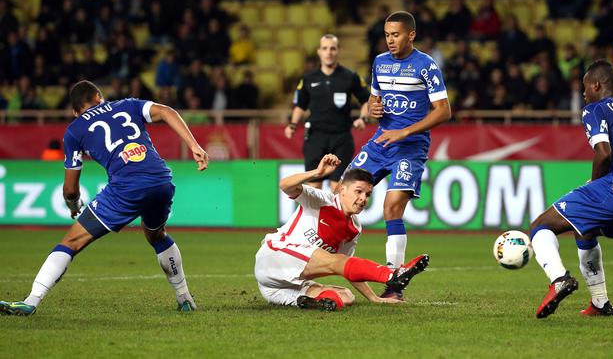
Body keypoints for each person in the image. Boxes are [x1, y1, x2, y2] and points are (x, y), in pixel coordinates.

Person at [0, 80, 209, 316]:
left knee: (71, 242)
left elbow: (70, 190)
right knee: (156, 234)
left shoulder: (75, 129)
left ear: (75, 111)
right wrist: (194, 145)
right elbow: (166, 111)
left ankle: (31, 300)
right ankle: (185, 298)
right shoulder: (128, 105)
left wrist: (73, 204)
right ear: (99, 97)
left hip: (126, 189)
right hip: (161, 180)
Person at [529, 60, 613, 319]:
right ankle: (600, 303)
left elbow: (603, 153)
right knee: (585, 232)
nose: (583, 94)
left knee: (540, 225)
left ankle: (558, 279)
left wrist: (597, 184)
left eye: (584, 88)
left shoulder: (595, 108)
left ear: (596, 84)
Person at [344, 11, 451, 300]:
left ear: (411, 35)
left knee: (391, 207)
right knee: (342, 195)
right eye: (387, 35)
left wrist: (404, 133)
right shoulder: (380, 62)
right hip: (380, 144)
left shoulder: (426, 66)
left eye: (396, 34)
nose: (391, 40)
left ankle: (393, 282)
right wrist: (372, 109)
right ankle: (325, 260)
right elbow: (374, 99)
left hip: (410, 148)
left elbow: (444, 111)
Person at [255, 154, 429, 311]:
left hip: (278, 287)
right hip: (273, 258)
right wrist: (317, 172)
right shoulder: (321, 200)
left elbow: (348, 267)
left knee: (346, 296)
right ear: (343, 190)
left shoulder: (354, 228)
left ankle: (307, 301)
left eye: (368, 194)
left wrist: (373, 298)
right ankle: (391, 275)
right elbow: (284, 185)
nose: (363, 198)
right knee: (338, 261)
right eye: (358, 191)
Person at [284, 34, 370, 190]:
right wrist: (292, 125)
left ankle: (334, 215)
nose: (328, 52)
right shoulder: (308, 78)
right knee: (314, 188)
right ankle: (317, 216)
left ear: (338, 51)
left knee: (337, 188)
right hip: (315, 138)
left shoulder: (350, 77)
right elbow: (300, 105)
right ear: (319, 51)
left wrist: (363, 119)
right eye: (325, 48)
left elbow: (366, 100)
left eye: (332, 48)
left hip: (341, 138)